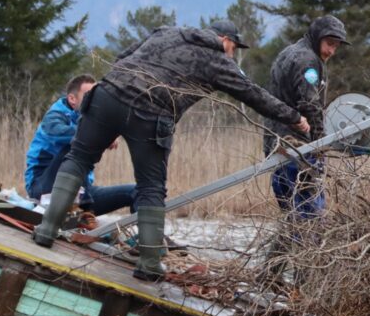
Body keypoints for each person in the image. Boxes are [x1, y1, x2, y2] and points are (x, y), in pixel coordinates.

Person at [31, 19, 310, 282]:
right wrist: (294, 118)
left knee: (78, 158)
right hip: (150, 113)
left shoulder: (168, 31)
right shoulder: (216, 61)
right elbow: (253, 94)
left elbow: (123, 58)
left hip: (108, 94)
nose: (233, 55)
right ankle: (150, 263)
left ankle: (47, 229)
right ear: (224, 41)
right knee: (151, 185)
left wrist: (117, 104)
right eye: (234, 48)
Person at [263, 15, 349, 219]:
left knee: (290, 212)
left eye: (336, 46)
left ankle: (291, 249)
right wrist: (320, 143)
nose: (331, 51)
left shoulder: (289, 52)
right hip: (298, 146)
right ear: (318, 37)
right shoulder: (308, 61)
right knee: (309, 211)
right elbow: (310, 104)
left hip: (276, 143)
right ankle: (307, 248)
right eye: (329, 44)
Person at [25, 75, 137, 216]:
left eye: (96, 96)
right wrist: (101, 135)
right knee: (74, 147)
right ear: (72, 99)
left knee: (137, 192)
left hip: (82, 192)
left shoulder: (93, 118)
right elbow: (57, 132)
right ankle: (81, 209)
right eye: (89, 96)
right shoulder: (55, 115)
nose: (94, 101)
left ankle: (143, 236)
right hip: (44, 188)